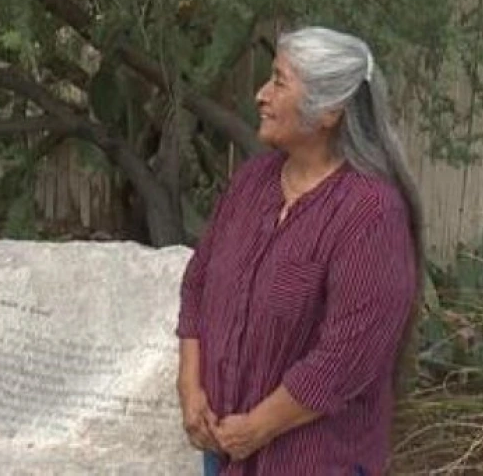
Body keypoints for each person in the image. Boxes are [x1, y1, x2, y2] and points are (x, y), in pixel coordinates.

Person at [176, 27, 423, 475]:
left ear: (328, 112)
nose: (261, 95)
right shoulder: (253, 181)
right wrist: (189, 388)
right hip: (226, 448)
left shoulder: (371, 214)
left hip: (313, 461)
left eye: (279, 81)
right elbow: (198, 283)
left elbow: (346, 358)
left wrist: (259, 426)